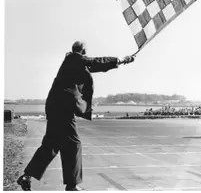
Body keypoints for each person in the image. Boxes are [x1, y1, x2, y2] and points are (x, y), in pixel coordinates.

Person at [17, 41, 135, 191]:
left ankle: (26, 177)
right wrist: (119, 59)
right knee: (73, 144)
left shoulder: (74, 63)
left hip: (56, 107)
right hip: (61, 107)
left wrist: (121, 61)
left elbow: (96, 65)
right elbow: (95, 62)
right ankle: (72, 185)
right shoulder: (73, 58)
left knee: (51, 145)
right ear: (83, 51)